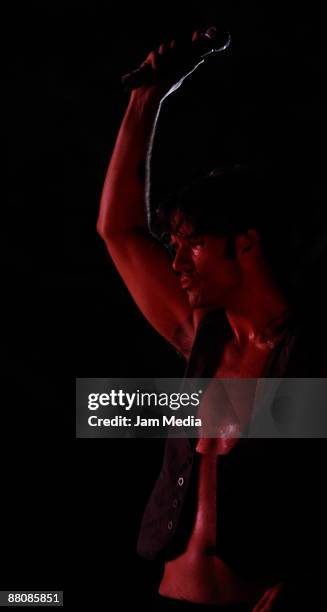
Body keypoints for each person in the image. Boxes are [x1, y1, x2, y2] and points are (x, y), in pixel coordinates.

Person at [97, 30, 327, 612]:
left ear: (245, 244)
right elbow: (116, 230)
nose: (174, 262)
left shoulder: (311, 358)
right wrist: (146, 98)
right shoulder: (202, 335)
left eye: (192, 244)